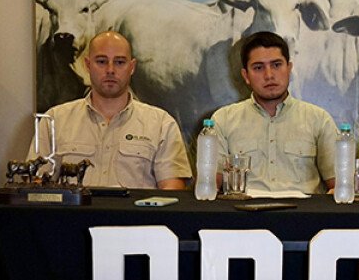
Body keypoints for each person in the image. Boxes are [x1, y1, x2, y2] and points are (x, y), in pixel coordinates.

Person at [29, 31, 191, 189]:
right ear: (87, 65)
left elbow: (172, 191)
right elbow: (36, 187)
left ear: (132, 67)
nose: (110, 70)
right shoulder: (54, 120)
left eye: (119, 62)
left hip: (136, 209)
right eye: (101, 61)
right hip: (74, 209)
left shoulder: (161, 124)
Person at [211, 31, 338, 194]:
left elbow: (339, 185)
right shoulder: (223, 119)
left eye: (276, 65)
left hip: (304, 209)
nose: (269, 75)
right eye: (258, 68)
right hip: (243, 208)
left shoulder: (319, 119)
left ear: (289, 69)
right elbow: (210, 186)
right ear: (246, 76)